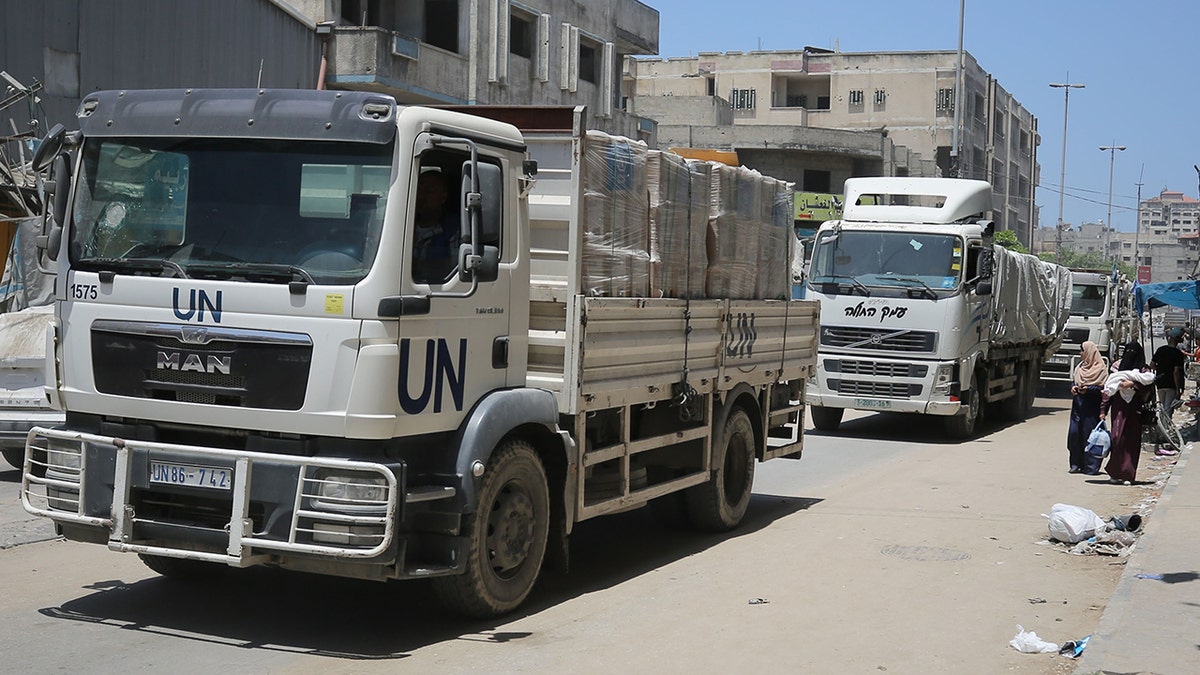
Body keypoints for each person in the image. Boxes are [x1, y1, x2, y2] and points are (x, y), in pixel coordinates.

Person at [1099, 344, 1156, 485]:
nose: (1130, 354)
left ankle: (1128, 475)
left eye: (1133, 352)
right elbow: (1108, 390)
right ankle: (1115, 473)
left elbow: (1149, 384)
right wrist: (1103, 410)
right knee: (1117, 439)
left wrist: (1132, 384)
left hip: (1134, 410)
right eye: (1128, 351)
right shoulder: (1117, 368)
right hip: (1119, 409)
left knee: (1131, 442)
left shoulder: (1144, 370)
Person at [1067, 341, 1108, 474]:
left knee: (1090, 436)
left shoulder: (1101, 369)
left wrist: (1089, 389)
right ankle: (1075, 463)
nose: (1080, 354)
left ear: (1089, 352)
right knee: (1074, 434)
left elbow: (1104, 389)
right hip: (1078, 406)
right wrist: (1073, 387)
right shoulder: (1080, 367)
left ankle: (1090, 466)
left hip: (1092, 407)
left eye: (1082, 351)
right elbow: (1075, 380)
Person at [412, 169, 460, 283]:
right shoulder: (402, 222)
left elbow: (454, 267)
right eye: (418, 190)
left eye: (428, 191)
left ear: (443, 198)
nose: (420, 196)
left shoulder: (455, 228)